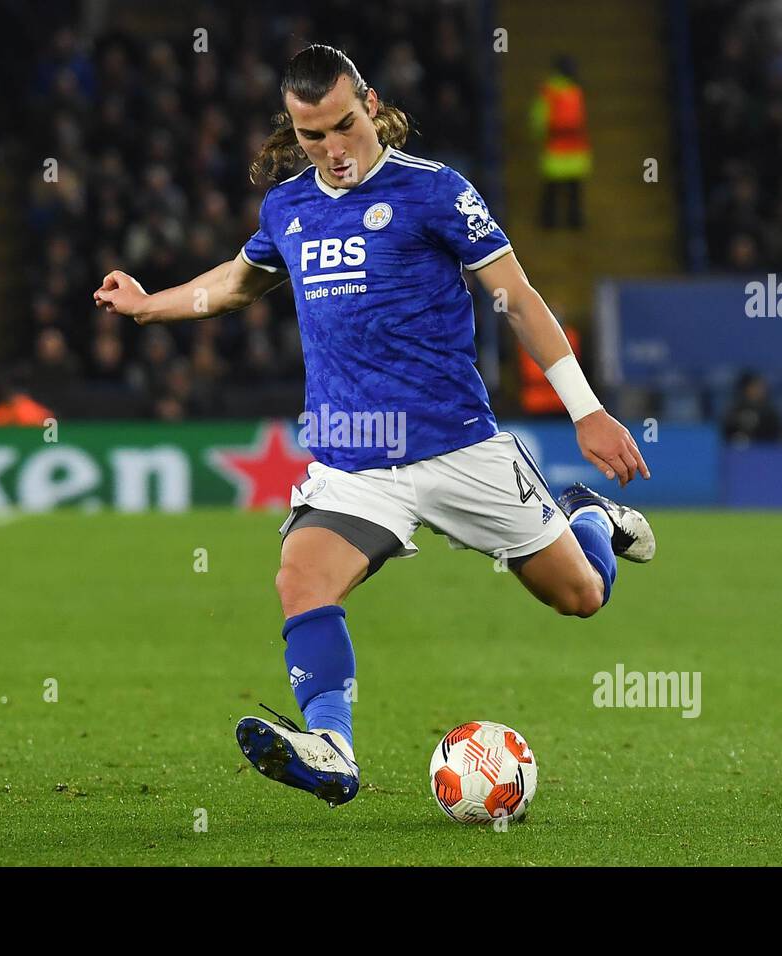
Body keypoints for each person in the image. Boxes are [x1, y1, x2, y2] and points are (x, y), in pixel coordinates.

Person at [94, 45, 653, 808]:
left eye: (342, 125)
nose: (331, 148)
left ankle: (588, 518)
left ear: (370, 104)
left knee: (580, 595)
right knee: (300, 576)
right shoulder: (288, 206)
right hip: (354, 463)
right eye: (311, 134)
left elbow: (517, 297)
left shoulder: (436, 193)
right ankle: (330, 745)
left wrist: (585, 409)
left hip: (458, 445)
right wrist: (147, 302)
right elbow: (234, 283)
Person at [530, 55, 592, 230]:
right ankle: (573, 222)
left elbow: (538, 118)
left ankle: (550, 222)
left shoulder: (550, 91)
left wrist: (538, 136)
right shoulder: (575, 91)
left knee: (554, 190)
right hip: (573, 149)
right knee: (572, 191)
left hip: (557, 149)